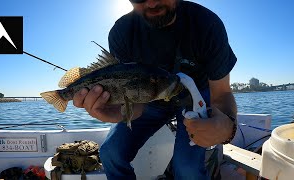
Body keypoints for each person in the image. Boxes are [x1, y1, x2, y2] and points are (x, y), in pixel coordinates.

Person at [73, 0, 237, 179]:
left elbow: (222, 93)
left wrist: (227, 127)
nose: (151, 3)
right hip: (148, 100)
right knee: (110, 153)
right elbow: (136, 106)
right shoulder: (122, 32)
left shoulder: (206, 24)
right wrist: (120, 112)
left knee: (187, 168)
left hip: (196, 98)